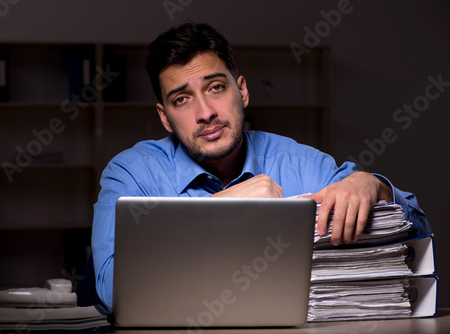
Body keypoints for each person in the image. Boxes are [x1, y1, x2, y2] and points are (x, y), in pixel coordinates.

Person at [91, 22, 432, 310]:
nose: (205, 112)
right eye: (182, 99)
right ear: (165, 118)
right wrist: (217, 212)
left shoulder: (302, 163)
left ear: (242, 91)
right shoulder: (131, 174)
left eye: (216, 87)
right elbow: (110, 291)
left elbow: (417, 236)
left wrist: (373, 185)